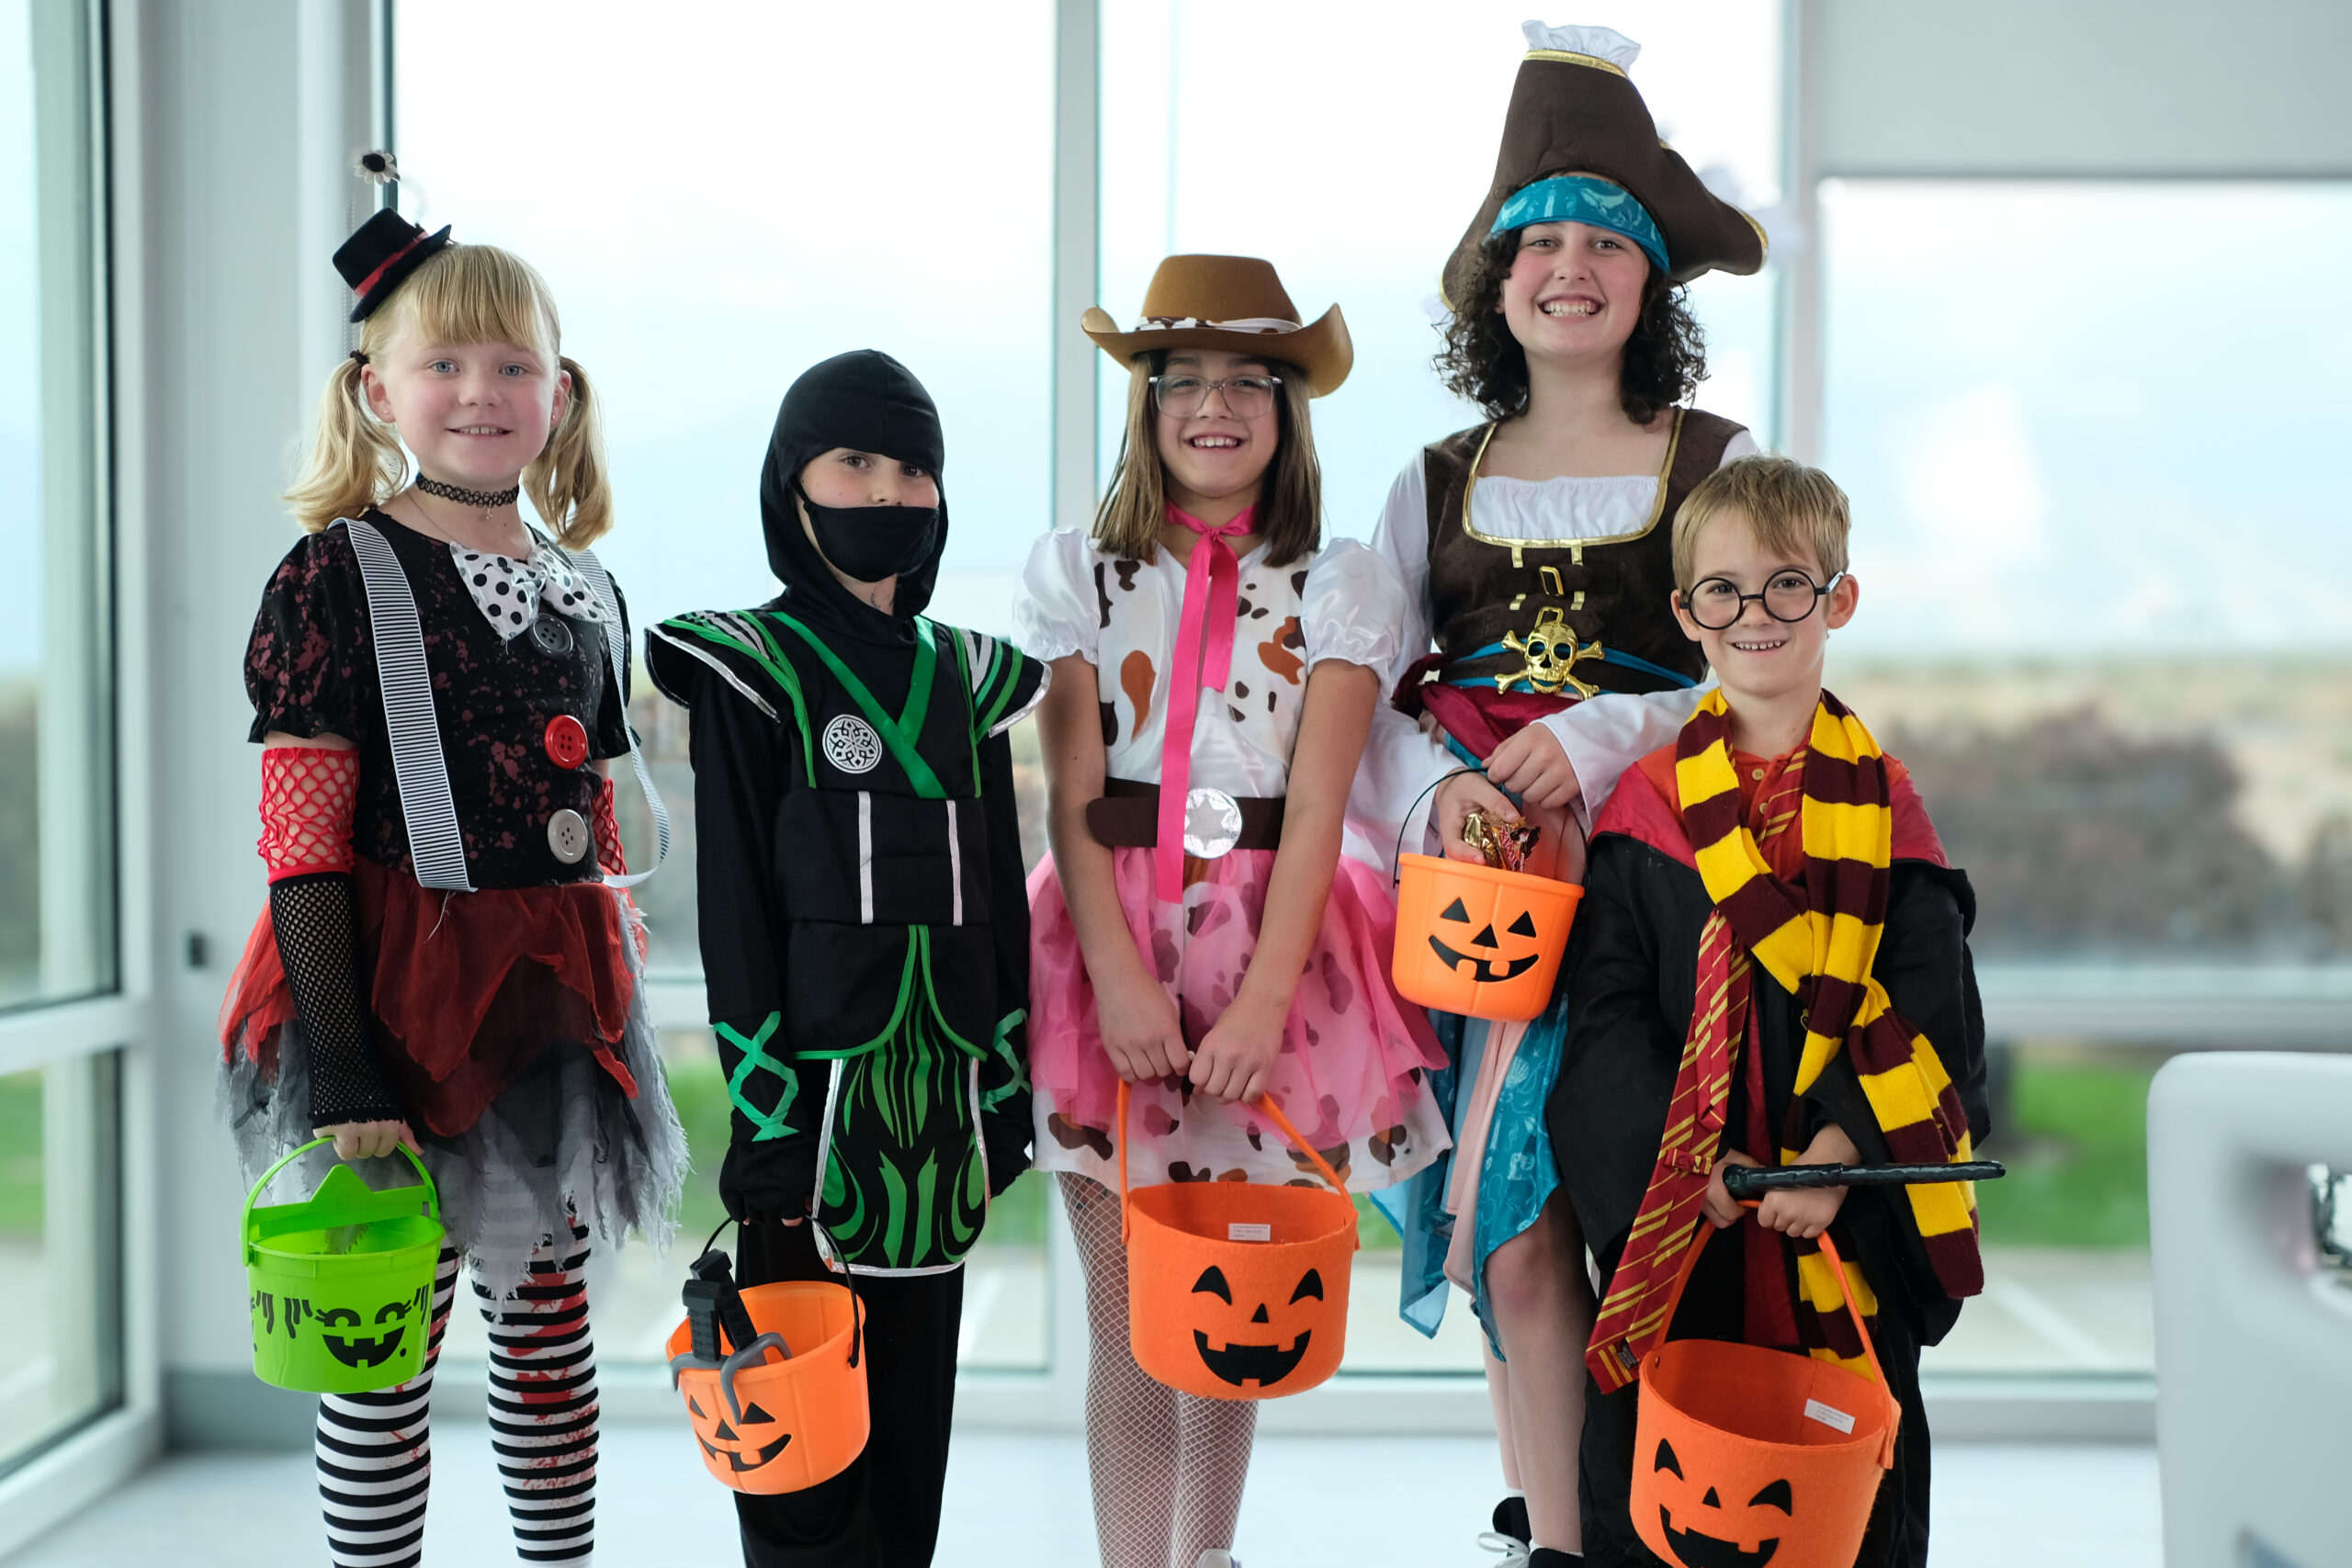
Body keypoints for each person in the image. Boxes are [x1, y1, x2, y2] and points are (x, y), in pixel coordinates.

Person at [1355, 23, 1770, 1567]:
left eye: (1608, 240)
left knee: (1641, 1218)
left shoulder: (1720, 465)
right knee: (1509, 1236)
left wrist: (1600, 739)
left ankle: (1649, 1515)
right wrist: (1441, 795)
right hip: (1480, 917)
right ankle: (1557, 1538)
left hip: (1665, 911)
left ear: (1654, 282)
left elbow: (1758, 679)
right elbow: (1367, 699)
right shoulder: (1431, 481)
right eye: (1542, 240)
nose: (1571, 268)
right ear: (1497, 278)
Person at [218, 199, 685, 1568]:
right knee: (380, 1355)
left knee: (549, 1357)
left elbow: (593, 821)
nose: (480, 392)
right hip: (385, 992)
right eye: (445, 364)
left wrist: (615, 992)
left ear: (560, 389)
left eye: (513, 365)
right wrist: (349, 1067)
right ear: (377, 390)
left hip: (547, 1005)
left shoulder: (585, 587)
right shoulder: (333, 575)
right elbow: (302, 838)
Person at [1018, 255, 1450, 1568]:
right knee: (1130, 1305)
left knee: (1235, 1285)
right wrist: (1119, 982)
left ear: (1287, 405)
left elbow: (1321, 805)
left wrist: (1263, 1000)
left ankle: (1212, 1554)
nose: (1215, 406)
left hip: (1281, 951)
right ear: (1145, 407)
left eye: (1245, 382)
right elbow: (1074, 792)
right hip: (1111, 938)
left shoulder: (1341, 582)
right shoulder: (1077, 574)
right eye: (1182, 381)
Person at [645, 349, 1045, 1568]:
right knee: (803, 1457)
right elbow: (735, 916)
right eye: (853, 461)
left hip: (937, 1130)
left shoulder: (968, 679)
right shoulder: (749, 667)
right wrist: (762, 1119)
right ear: (792, 484)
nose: (886, 489)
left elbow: (998, 909)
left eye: (912, 466)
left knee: (911, 1443)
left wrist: (1006, 1085)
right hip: (807, 1132)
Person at [1552, 455, 1989, 1567]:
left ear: (1837, 599)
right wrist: (1679, 1160)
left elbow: (1933, 1009)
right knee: (1676, 1488)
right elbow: (1606, 1020)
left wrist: (1844, 1149)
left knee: (1838, 1494)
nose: (1756, 614)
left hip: (1842, 1219)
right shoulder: (1645, 807)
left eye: (1787, 585)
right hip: (1693, 1211)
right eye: (1724, 592)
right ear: (1685, 615)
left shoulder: (1885, 806)